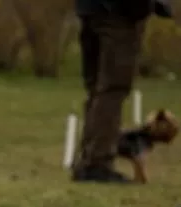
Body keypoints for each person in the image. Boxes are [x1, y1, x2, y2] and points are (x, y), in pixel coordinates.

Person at [72, 0, 172, 183]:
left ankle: (87, 161)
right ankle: (97, 163)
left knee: (96, 89)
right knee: (112, 89)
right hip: (119, 14)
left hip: (89, 10)